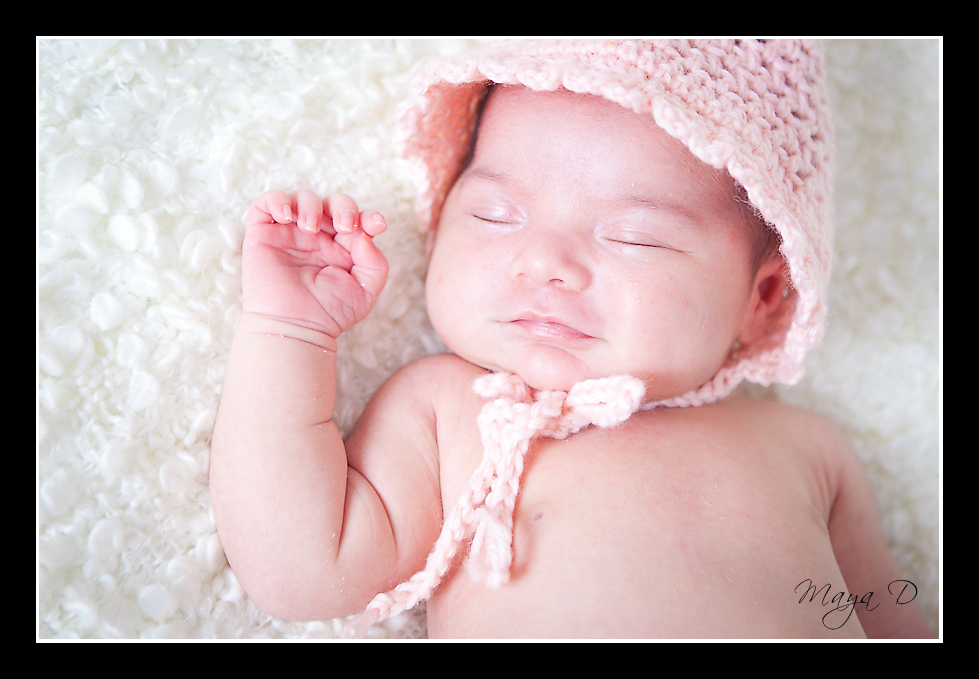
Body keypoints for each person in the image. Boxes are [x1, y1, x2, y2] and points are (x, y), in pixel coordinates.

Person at [210, 40, 931, 638]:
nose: (545, 262)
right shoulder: (453, 413)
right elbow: (300, 568)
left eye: (632, 236)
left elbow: (890, 618)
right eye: (495, 215)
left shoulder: (804, 448)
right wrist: (289, 328)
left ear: (762, 298)